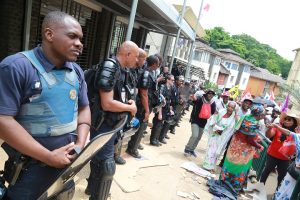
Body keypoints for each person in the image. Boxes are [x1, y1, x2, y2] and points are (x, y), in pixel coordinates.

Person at [0, 11, 91, 199]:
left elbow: (84, 108)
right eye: (72, 36)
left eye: (81, 39)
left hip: (67, 167)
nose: (79, 44)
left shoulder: (76, 71)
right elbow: (3, 120)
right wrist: (48, 157)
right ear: (49, 35)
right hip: (29, 171)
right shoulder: (16, 67)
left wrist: (80, 145)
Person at [86, 41, 138, 200]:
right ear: (127, 54)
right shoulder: (110, 66)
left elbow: (123, 95)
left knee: (99, 160)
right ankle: (97, 195)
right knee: (107, 166)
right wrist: (130, 108)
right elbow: (107, 103)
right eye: (135, 57)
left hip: (112, 124)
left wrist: (130, 104)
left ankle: (92, 189)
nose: (137, 60)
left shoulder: (123, 71)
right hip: (103, 124)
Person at [220, 105, 265, 193]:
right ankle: (234, 186)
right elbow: (249, 140)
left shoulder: (245, 117)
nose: (263, 116)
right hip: (243, 150)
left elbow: (243, 133)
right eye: (263, 114)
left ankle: (224, 181)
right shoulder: (254, 123)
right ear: (259, 115)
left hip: (234, 145)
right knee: (239, 167)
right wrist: (259, 146)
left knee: (230, 164)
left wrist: (255, 136)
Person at [126, 52, 161, 158]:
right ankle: (132, 149)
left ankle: (134, 147)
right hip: (143, 106)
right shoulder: (146, 74)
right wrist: (146, 110)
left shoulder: (149, 73)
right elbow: (144, 94)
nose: (159, 65)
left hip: (147, 105)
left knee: (142, 126)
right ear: (154, 64)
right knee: (141, 126)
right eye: (158, 63)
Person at [260, 109, 300, 188]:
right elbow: (268, 135)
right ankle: (259, 189)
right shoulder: (278, 127)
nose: (286, 121)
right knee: (266, 172)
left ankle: (277, 194)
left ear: (294, 122)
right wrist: (269, 128)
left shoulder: (296, 134)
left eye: (289, 120)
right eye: (285, 119)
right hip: (272, 155)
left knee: (282, 177)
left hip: (285, 159)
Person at [202, 101, 236, 172]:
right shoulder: (221, 112)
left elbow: (231, 129)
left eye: (232, 107)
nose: (230, 108)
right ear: (227, 106)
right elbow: (212, 120)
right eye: (229, 106)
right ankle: (206, 165)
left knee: (217, 152)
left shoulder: (234, 118)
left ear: (234, 109)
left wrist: (222, 131)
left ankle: (212, 167)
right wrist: (215, 127)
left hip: (223, 137)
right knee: (210, 150)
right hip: (215, 134)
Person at [270, 123, 300, 199]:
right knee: (285, 190)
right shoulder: (298, 136)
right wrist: (277, 126)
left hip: (295, 172)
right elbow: (289, 133)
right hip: (294, 171)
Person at [184, 89, 216, 157]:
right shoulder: (200, 99)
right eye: (209, 93)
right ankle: (187, 148)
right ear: (206, 94)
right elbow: (195, 101)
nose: (210, 95)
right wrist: (193, 98)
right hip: (195, 120)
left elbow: (213, 112)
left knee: (198, 137)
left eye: (212, 94)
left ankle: (192, 150)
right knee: (195, 135)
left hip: (203, 122)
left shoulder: (212, 103)